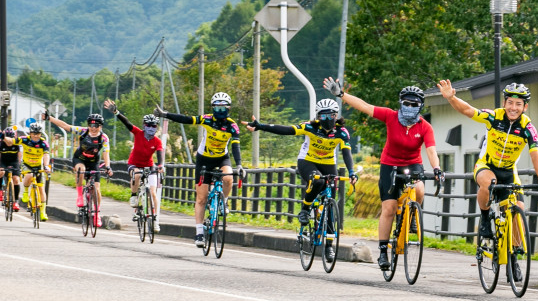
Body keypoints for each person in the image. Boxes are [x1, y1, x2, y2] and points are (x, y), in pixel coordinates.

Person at [325, 78, 440, 270]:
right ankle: (384, 252)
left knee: (419, 188)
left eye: (414, 104)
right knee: (389, 208)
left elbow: (431, 150)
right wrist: (341, 95)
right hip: (390, 164)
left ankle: (412, 216)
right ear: (400, 103)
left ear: (420, 106)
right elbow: (364, 106)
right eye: (406, 103)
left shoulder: (425, 127)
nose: (410, 107)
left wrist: (436, 168)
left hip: (413, 164)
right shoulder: (390, 116)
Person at [437, 79, 538, 250]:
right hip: (486, 166)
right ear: (504, 103)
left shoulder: (528, 128)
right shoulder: (494, 117)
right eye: (510, 102)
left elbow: (536, 155)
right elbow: (468, 110)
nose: (513, 107)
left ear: (525, 107)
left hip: (509, 171)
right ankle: (484, 220)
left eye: (518, 104)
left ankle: (514, 256)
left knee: (519, 208)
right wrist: (451, 98)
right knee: (489, 184)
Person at [247, 98, 357, 228]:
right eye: (323, 115)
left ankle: (328, 243)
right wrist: (260, 126)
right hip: (308, 161)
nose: (327, 119)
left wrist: (351, 172)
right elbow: (287, 130)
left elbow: (346, 153)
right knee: (318, 181)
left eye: (331, 115)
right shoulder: (310, 127)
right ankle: (305, 210)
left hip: (328, 163)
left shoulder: (342, 133)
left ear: (336, 116)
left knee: (330, 200)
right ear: (318, 116)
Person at [156, 92, 245, 248]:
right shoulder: (207, 119)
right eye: (217, 107)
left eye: (224, 107)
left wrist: (239, 165)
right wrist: (165, 115)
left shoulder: (232, 126)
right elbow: (186, 119)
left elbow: (235, 146)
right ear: (213, 108)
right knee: (201, 199)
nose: (220, 110)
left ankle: (224, 202)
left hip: (222, 157)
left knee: (229, 178)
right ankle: (198, 233)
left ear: (229, 108)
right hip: (204, 159)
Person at [103, 99, 164, 232]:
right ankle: (134, 195)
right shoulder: (138, 133)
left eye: (154, 126)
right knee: (137, 175)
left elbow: (160, 154)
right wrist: (116, 112)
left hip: (149, 166)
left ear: (157, 127)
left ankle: (155, 220)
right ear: (144, 125)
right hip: (134, 164)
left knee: (153, 194)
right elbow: (127, 123)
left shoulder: (157, 141)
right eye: (148, 125)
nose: (151, 128)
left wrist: (160, 165)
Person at [45, 110, 111, 226]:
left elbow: (106, 152)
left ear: (100, 126)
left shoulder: (103, 138)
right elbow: (65, 126)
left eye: (96, 126)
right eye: (91, 125)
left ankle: (96, 214)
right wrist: (49, 118)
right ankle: (80, 196)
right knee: (81, 170)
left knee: (97, 189)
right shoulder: (83, 131)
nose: (93, 128)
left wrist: (108, 166)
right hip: (79, 159)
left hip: (94, 162)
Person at [19, 122, 51, 222]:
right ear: (30, 133)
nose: (36, 136)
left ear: (41, 134)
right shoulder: (24, 139)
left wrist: (46, 166)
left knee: (41, 188)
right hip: (27, 164)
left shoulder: (43, 143)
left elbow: (46, 155)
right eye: (34, 133)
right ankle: (25, 192)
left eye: (38, 134)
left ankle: (43, 212)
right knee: (29, 175)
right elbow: (12, 141)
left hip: (38, 165)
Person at [0, 128, 22, 212]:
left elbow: (19, 158)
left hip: (14, 162)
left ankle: (16, 201)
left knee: (16, 180)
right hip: (3, 162)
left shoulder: (18, 145)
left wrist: (18, 167)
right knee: (1, 172)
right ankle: (0, 189)